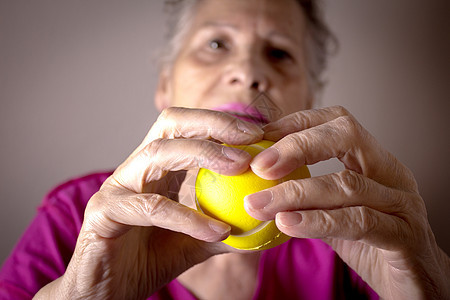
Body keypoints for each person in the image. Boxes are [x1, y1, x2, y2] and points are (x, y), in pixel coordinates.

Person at [1, 0, 449, 299]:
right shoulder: (80, 217)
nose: (248, 71)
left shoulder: (361, 232)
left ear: (309, 101)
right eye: (216, 44)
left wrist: (426, 286)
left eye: (278, 53)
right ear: (165, 86)